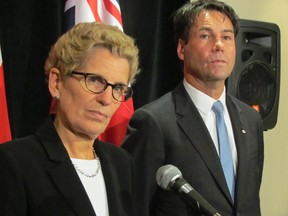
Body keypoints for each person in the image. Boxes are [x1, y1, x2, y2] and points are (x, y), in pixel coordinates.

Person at [122, 0, 264, 215]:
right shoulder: (153, 122)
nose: (219, 45)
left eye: (226, 37)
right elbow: (134, 208)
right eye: (206, 36)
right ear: (181, 48)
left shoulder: (250, 119)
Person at [0, 22, 139, 216]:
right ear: (57, 83)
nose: (106, 99)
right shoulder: (14, 162)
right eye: (94, 80)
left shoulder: (122, 163)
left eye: (117, 88)